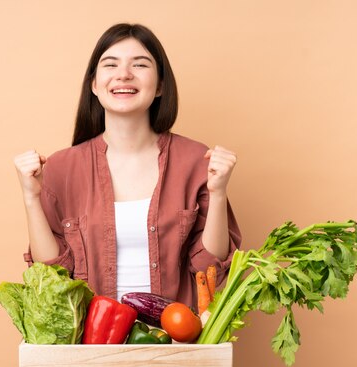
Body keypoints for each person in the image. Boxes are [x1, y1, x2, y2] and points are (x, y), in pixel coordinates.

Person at [14, 23, 241, 308]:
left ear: (160, 85)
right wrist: (31, 197)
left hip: (174, 340)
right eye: (110, 64)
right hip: (92, 342)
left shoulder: (196, 160)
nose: (124, 74)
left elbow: (210, 268)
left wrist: (218, 193)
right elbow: (52, 275)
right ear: (94, 85)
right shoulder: (61, 167)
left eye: (140, 64)